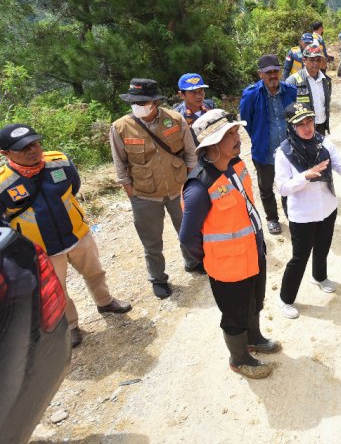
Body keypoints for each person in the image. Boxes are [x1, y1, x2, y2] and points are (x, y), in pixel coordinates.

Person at [1, 123, 132, 348]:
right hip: (42, 249)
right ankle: (71, 326)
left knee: (95, 272)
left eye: (35, 143)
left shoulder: (59, 160)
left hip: (78, 235)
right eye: (23, 148)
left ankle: (105, 301)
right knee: (57, 289)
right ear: (5, 154)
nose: (33, 150)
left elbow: (74, 185)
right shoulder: (4, 183)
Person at [179, 110, 280, 379]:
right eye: (229, 135)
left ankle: (254, 338)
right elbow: (187, 237)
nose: (237, 138)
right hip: (227, 267)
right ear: (211, 145)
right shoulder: (199, 186)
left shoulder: (236, 165)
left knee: (255, 301)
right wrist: (209, 260)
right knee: (234, 314)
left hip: (253, 252)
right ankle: (239, 358)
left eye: (236, 132)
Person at [275, 102, 341, 319]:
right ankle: (285, 299)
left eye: (309, 121)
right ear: (291, 127)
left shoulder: (323, 142)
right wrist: (305, 176)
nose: (307, 128)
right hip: (303, 215)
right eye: (301, 124)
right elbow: (282, 187)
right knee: (299, 258)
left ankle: (319, 276)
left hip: (328, 209)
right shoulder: (284, 153)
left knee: (323, 247)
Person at [110, 78, 198, 299]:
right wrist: (131, 193)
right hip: (144, 194)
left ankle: (193, 262)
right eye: (134, 102)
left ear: (155, 101)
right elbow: (120, 165)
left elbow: (190, 153)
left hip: (178, 188)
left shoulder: (175, 120)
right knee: (152, 243)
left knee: (187, 231)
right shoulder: (120, 127)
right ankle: (158, 278)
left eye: (143, 102)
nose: (137, 106)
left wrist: (190, 183)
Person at [239, 54, 297, 235]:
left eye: (275, 71)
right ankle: (272, 218)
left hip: (289, 150)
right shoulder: (251, 95)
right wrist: (259, 138)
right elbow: (247, 121)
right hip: (264, 152)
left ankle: (292, 215)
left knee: (289, 184)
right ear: (260, 74)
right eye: (268, 72)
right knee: (266, 187)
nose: (273, 75)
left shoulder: (290, 91)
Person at [285, 45, 332, 135]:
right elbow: (287, 109)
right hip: (303, 129)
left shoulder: (325, 80)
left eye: (318, 60)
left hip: (321, 126)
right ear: (304, 60)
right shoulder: (293, 81)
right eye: (312, 60)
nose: (316, 63)